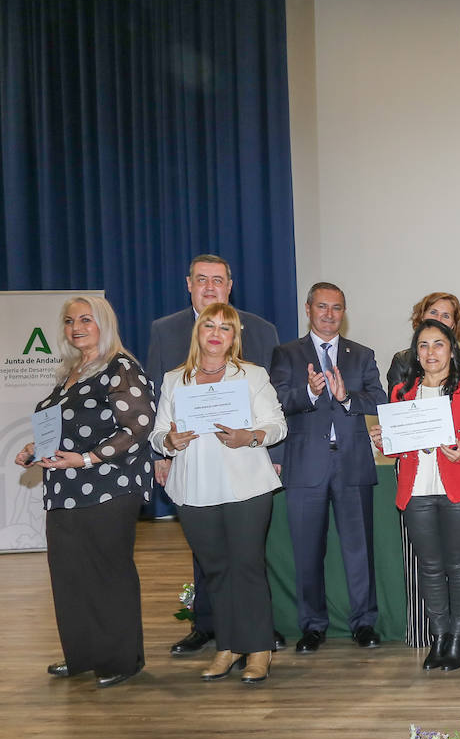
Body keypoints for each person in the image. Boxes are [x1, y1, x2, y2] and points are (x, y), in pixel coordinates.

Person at [146, 254, 281, 656]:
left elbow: (276, 421)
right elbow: (157, 426)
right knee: (215, 569)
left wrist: (255, 439)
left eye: (224, 326)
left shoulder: (253, 369)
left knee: (248, 567)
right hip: (195, 482)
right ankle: (225, 644)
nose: (216, 332)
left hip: (246, 480)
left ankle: (256, 649)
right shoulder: (174, 376)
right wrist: (166, 446)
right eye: (209, 326)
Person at [17, 295, 154, 687]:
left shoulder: (120, 367)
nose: (76, 327)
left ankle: (122, 659)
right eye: (69, 321)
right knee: (70, 574)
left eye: (86, 320)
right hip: (63, 489)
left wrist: (89, 458)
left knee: (107, 573)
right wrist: (34, 449)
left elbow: (139, 426)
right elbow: (62, 430)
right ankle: (83, 654)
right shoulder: (70, 373)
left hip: (109, 486)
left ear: (104, 324)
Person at [269, 282, 388, 653]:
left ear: (344, 312)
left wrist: (345, 396)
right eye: (322, 307)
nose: (329, 314)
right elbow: (276, 401)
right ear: (308, 309)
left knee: (359, 549)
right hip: (304, 465)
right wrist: (310, 394)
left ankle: (363, 623)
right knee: (307, 550)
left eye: (337, 308)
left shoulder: (361, 354)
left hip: (352, 462)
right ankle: (312, 626)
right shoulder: (286, 353)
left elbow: (379, 398)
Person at [372, 319, 460, 670]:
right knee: (428, 567)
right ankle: (438, 636)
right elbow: (397, 450)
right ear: (416, 353)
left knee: (458, 565)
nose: (430, 352)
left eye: (438, 344)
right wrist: (384, 441)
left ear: (452, 351)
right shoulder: (402, 392)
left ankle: (458, 638)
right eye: (423, 345)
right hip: (417, 492)